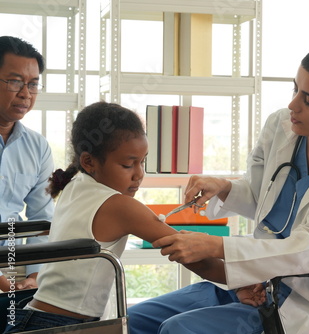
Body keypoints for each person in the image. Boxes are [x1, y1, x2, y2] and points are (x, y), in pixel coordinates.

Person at [127, 42, 309, 334]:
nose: (293, 106)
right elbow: (262, 198)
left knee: (179, 330)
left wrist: (215, 246)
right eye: (295, 89)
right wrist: (224, 187)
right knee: (133, 321)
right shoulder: (281, 125)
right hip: (254, 284)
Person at [3, 101, 229, 333]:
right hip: (60, 326)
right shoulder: (120, 206)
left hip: (32, 318)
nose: (139, 175)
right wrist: (249, 278)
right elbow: (194, 257)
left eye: (142, 162)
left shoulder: (76, 184)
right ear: (89, 161)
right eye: (128, 164)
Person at [0, 36, 53, 292]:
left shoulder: (37, 147)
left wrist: (35, 275)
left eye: (33, 85)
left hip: (13, 262)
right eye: (15, 82)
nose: (25, 93)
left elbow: (42, 217)